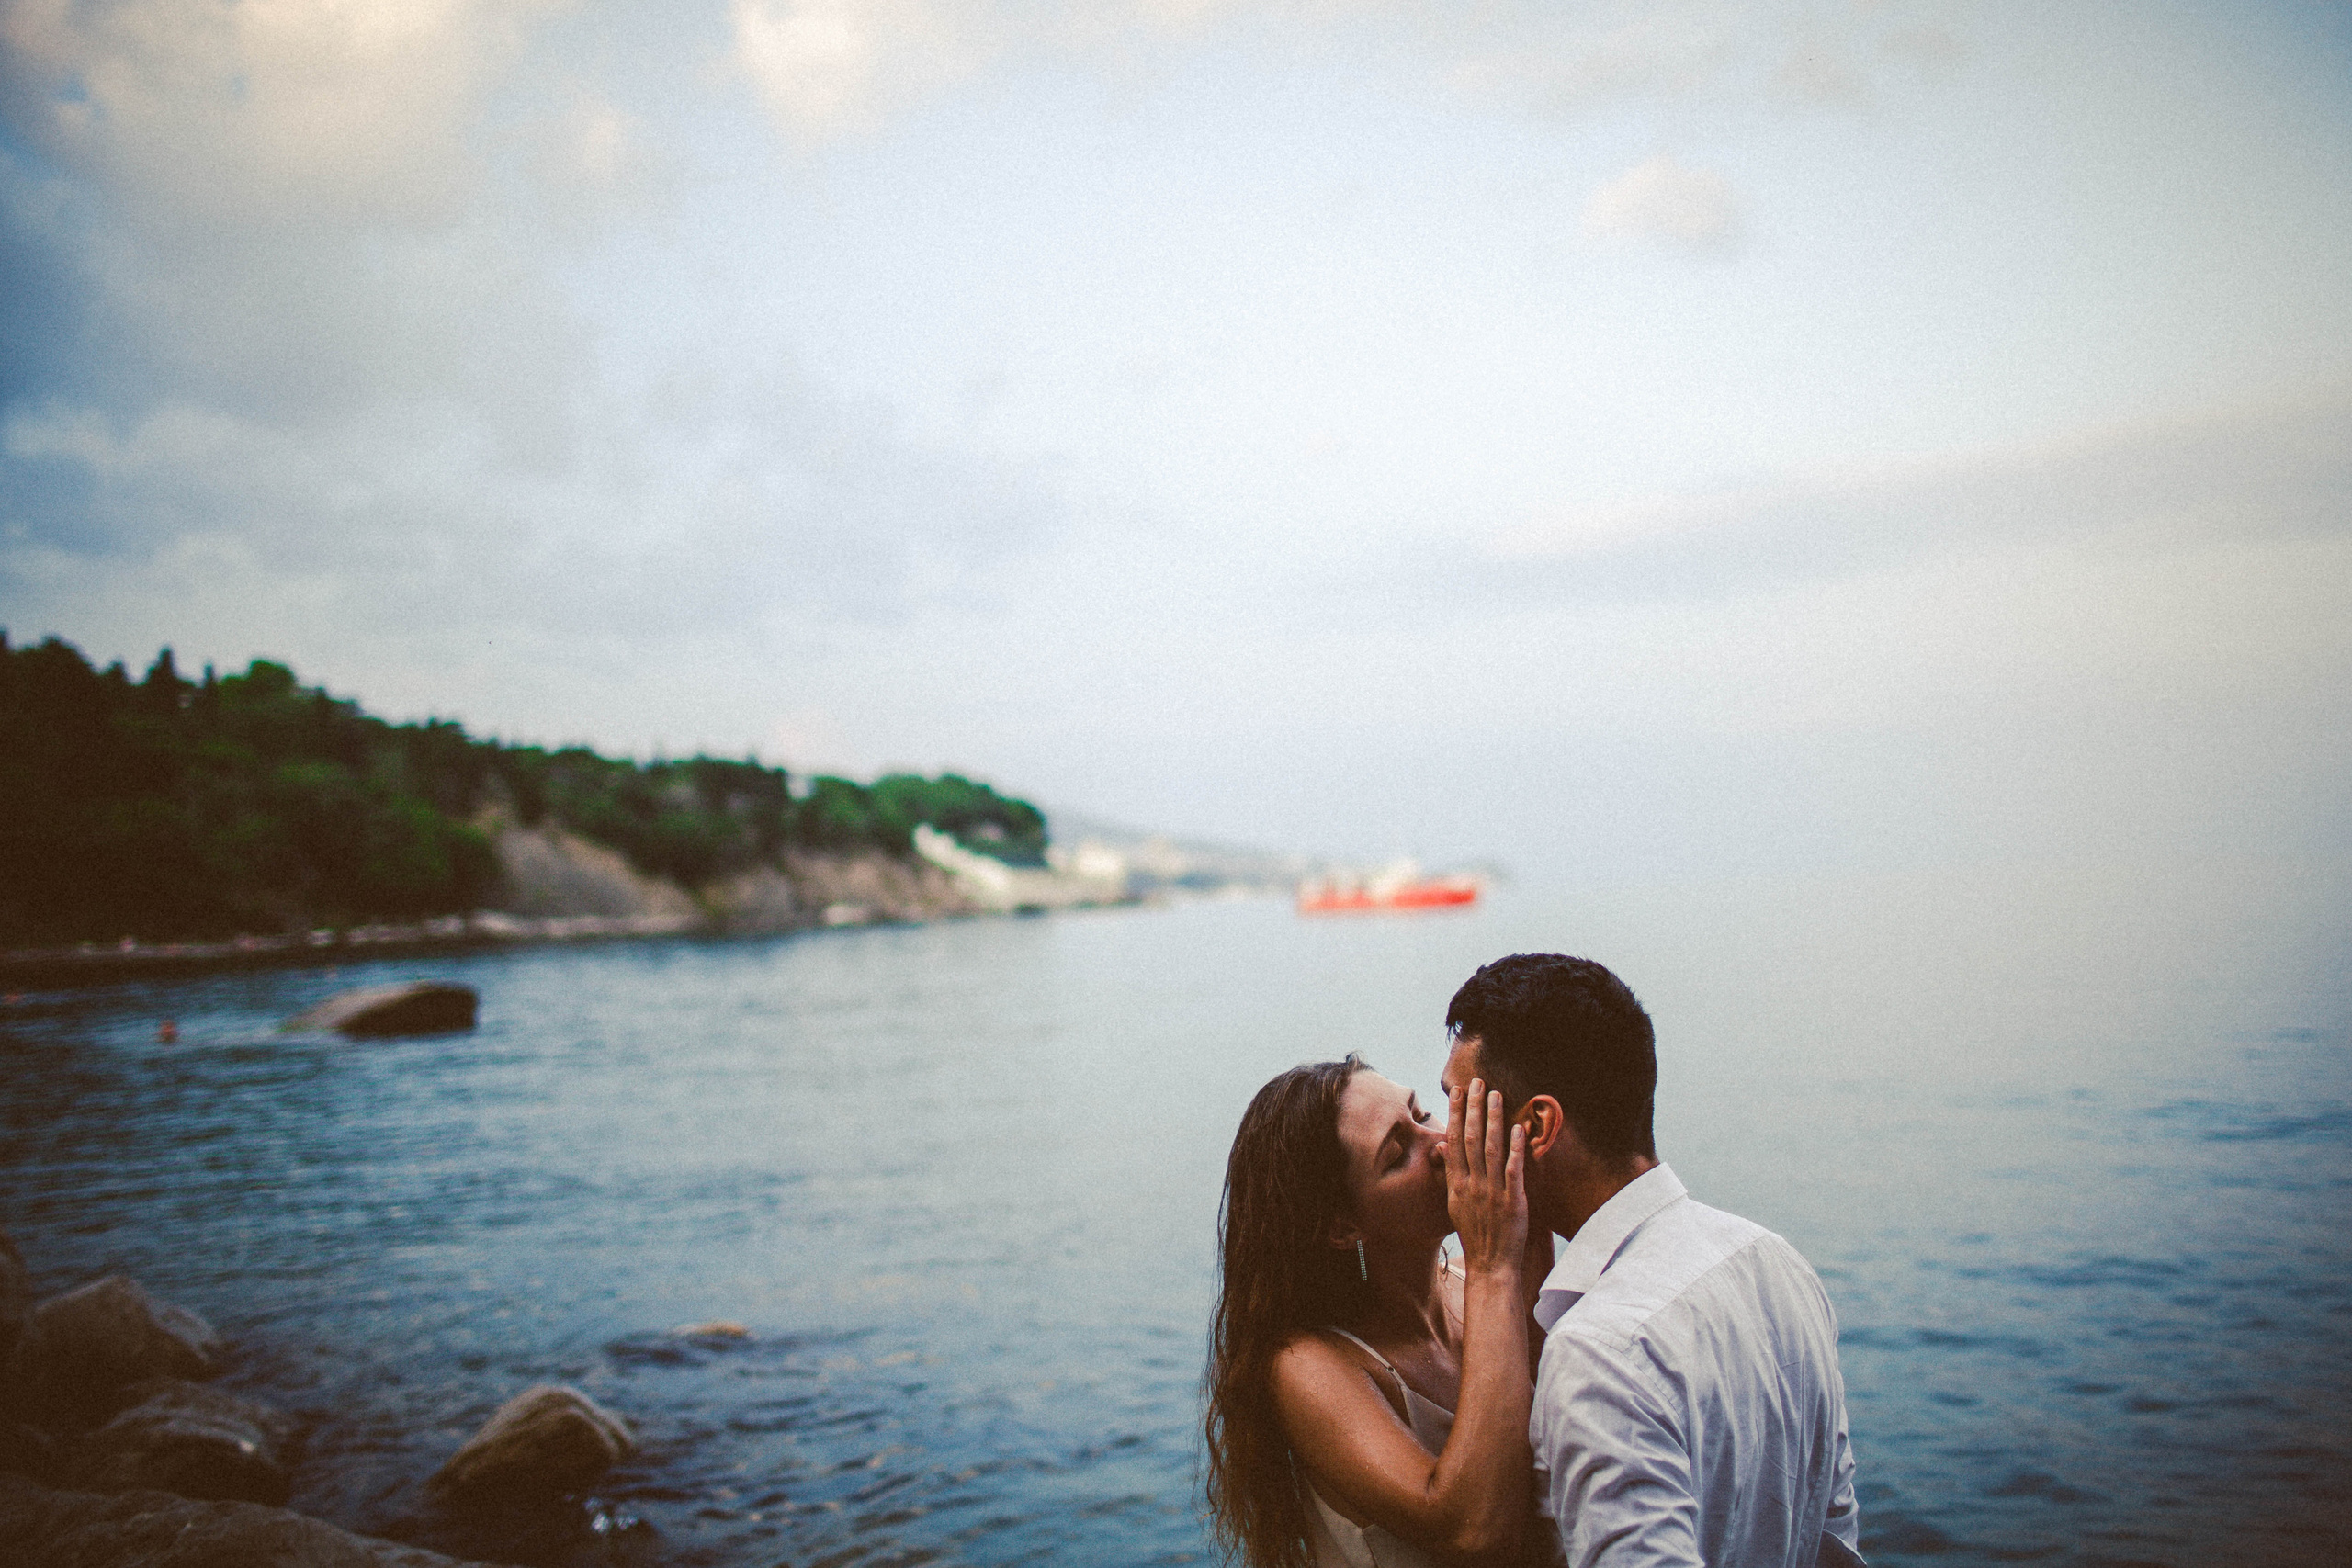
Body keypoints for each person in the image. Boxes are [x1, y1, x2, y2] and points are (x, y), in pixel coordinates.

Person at [1439, 953, 1864, 1568]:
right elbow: (1835, 1539)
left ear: (1537, 1125)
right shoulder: (1777, 1260)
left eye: (1460, 1107)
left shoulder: (1598, 1352)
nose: (1444, 1141)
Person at [1204, 1053, 1555, 1567]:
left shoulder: (1482, 1280)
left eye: (1421, 1113)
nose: (1441, 1144)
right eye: (1397, 1153)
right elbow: (1472, 1529)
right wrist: (1494, 1264)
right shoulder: (1307, 1364)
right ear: (1344, 1227)